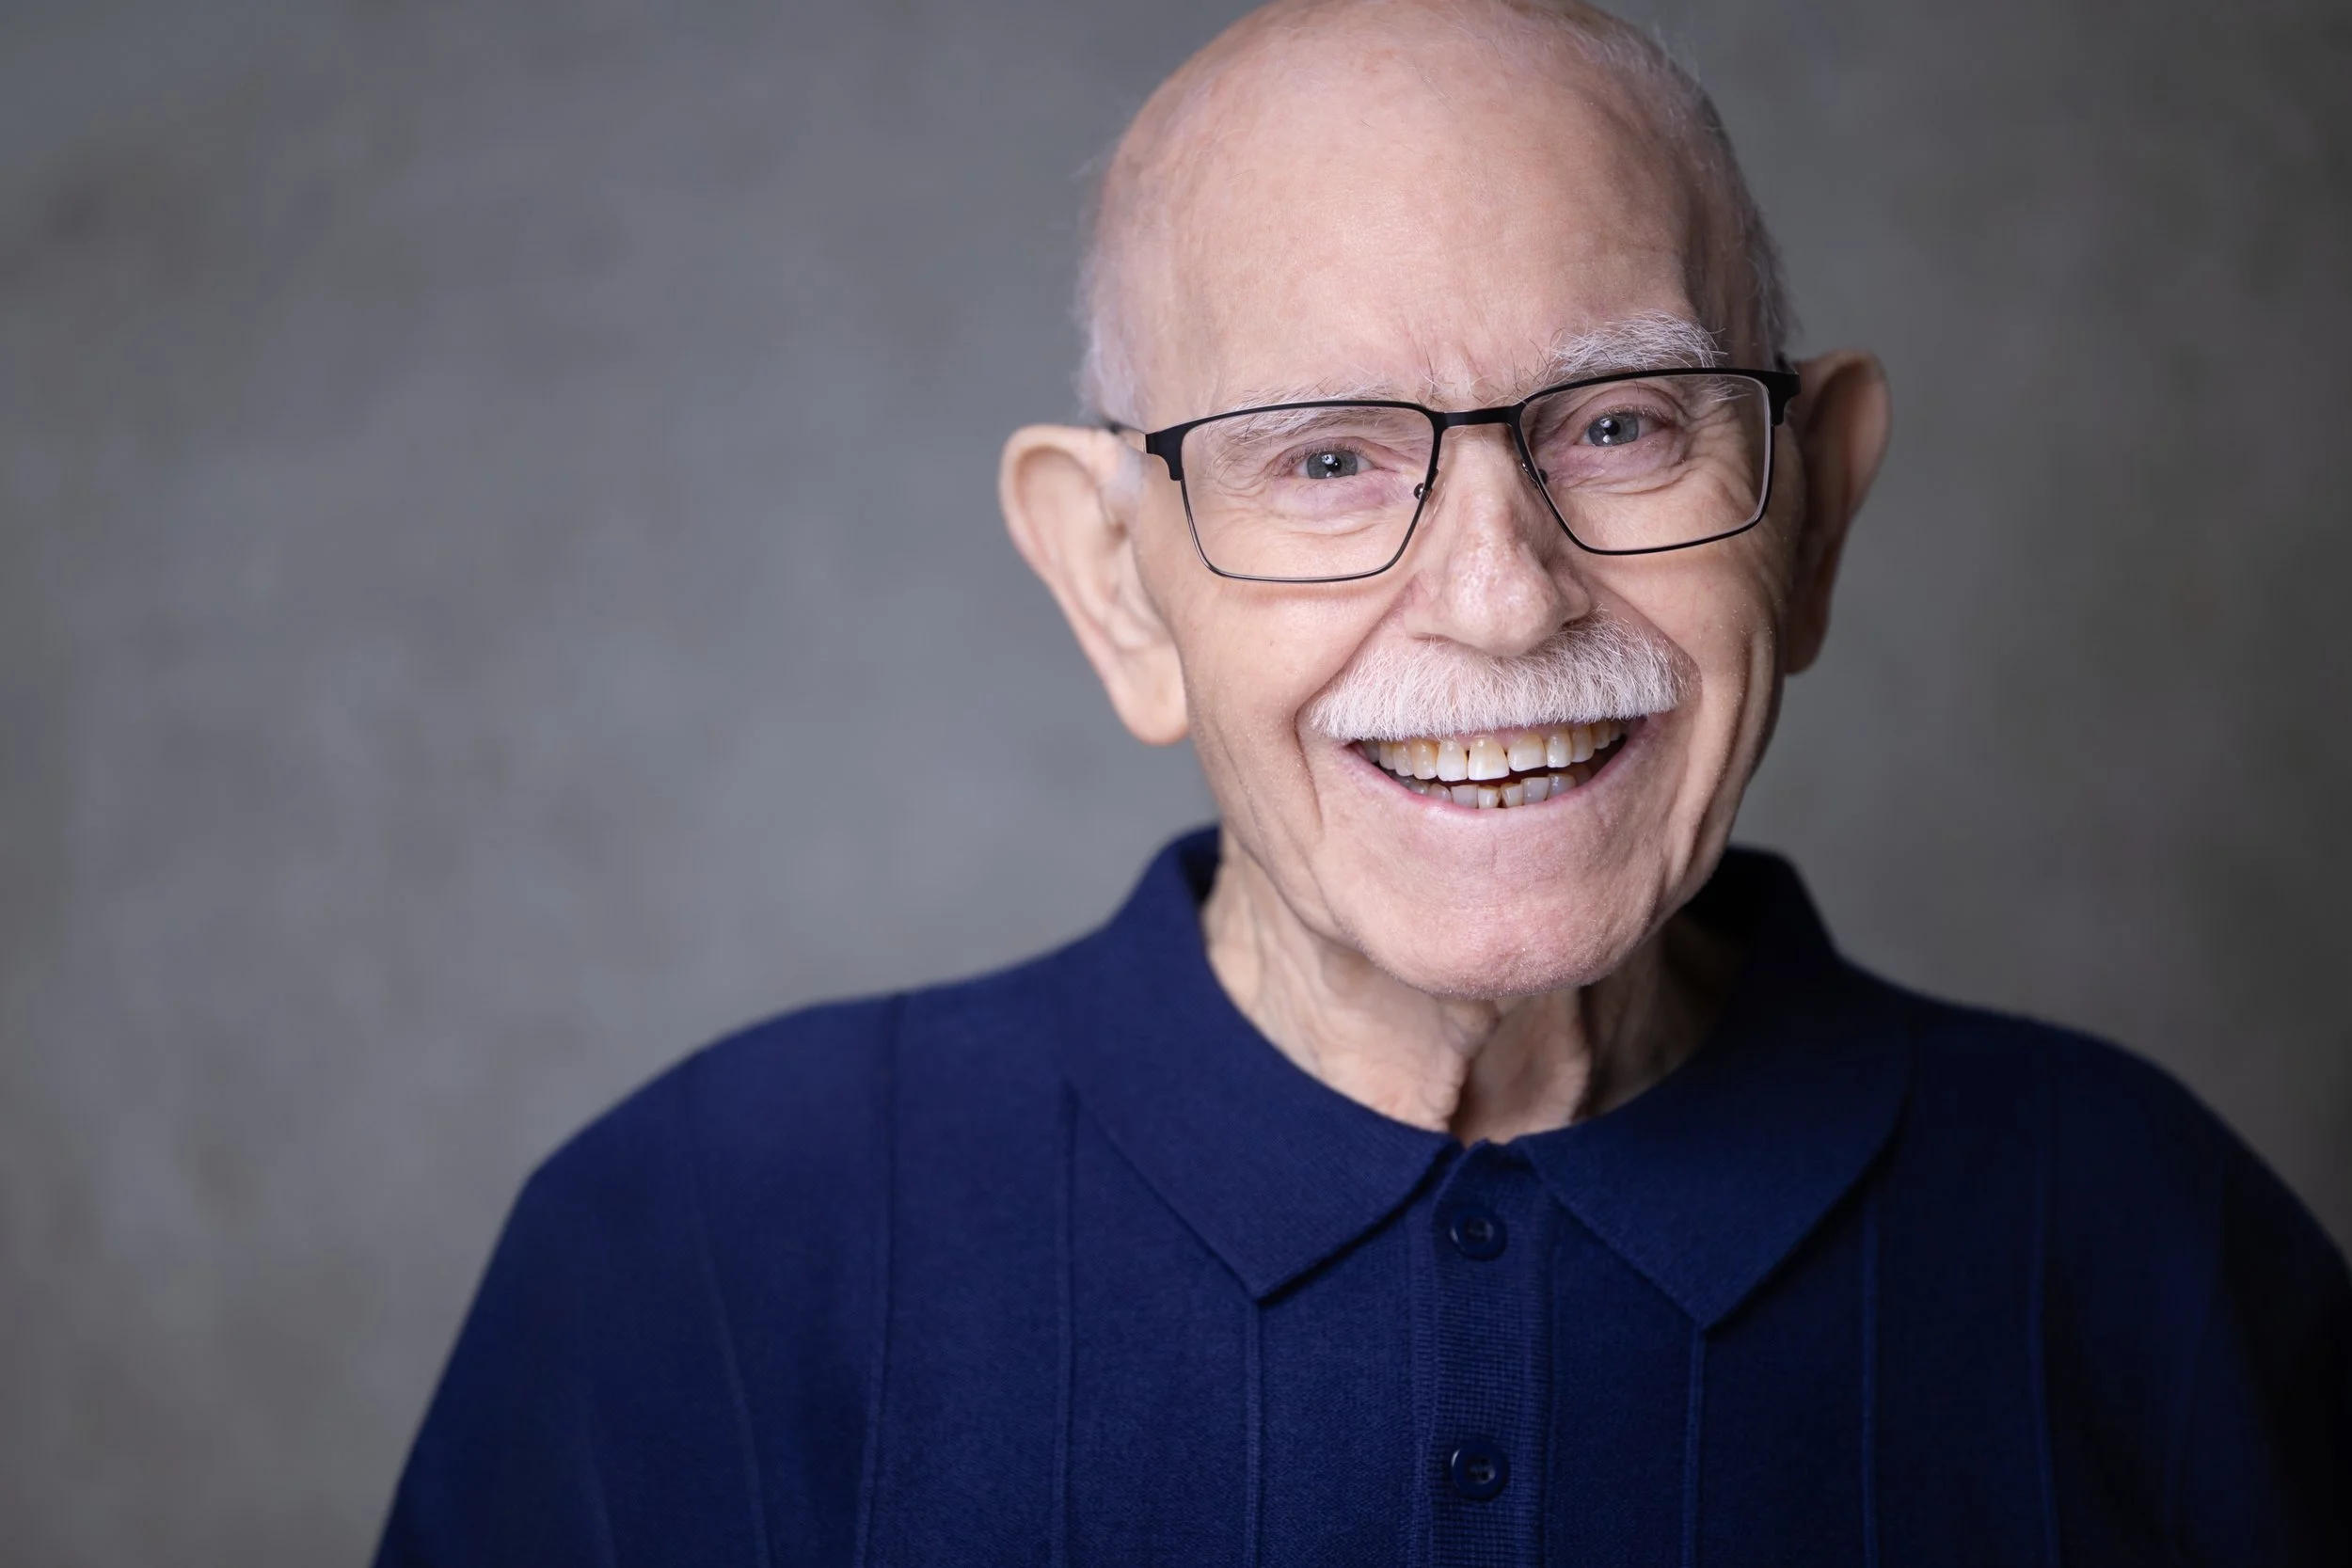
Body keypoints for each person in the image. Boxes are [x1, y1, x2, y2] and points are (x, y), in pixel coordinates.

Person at [373, 2, 2350, 1562]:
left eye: (1620, 423)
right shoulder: (696, 1251)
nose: (1500, 596)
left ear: (1811, 515)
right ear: (1114, 582)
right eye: (1324, 458)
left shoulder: (2147, 1245)